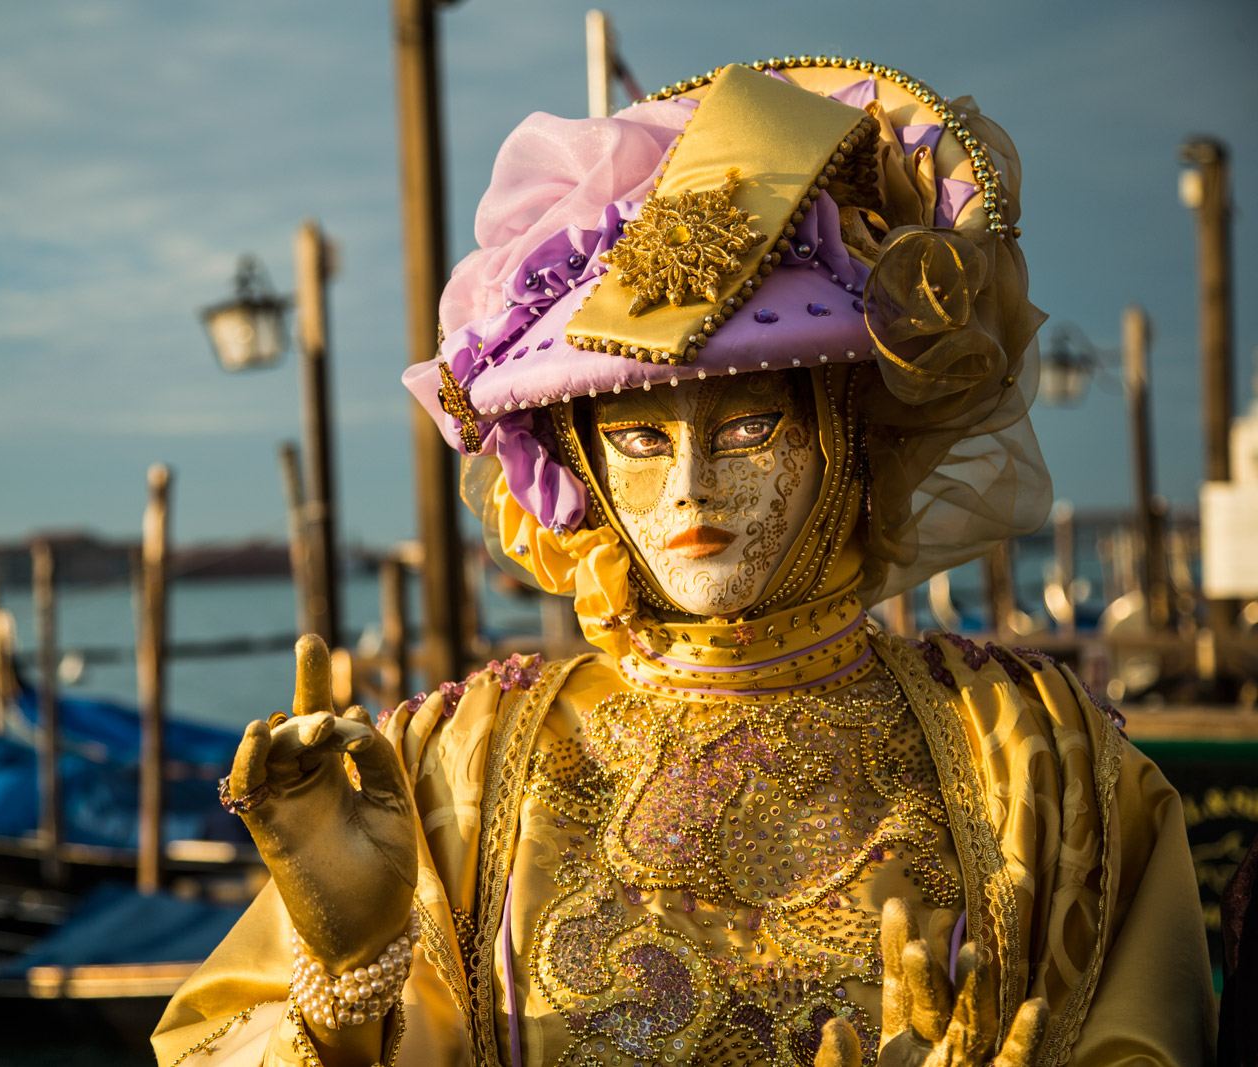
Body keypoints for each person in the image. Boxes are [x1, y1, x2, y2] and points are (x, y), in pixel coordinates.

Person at [152, 57, 1216, 1067]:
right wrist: (349, 971)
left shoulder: (1034, 760)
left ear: (846, 432)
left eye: (749, 427)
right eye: (639, 439)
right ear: (577, 457)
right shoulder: (452, 772)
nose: (690, 490)